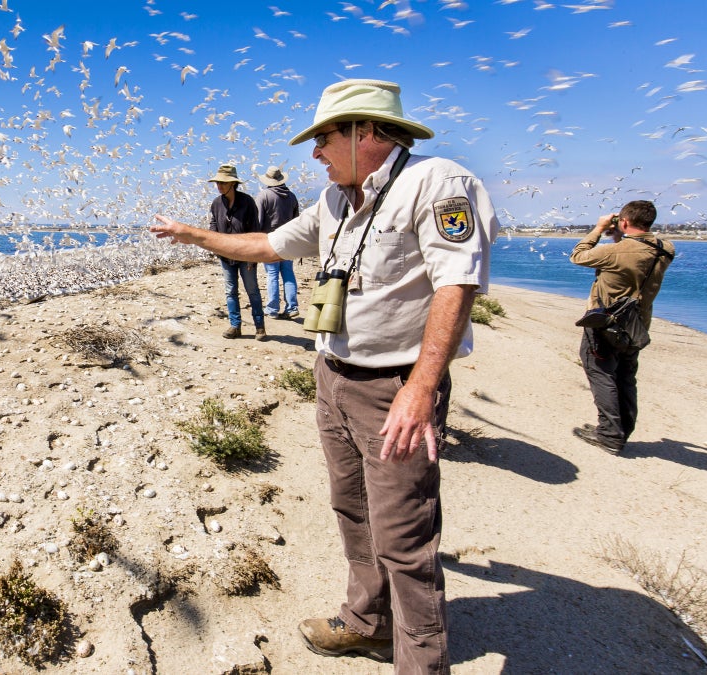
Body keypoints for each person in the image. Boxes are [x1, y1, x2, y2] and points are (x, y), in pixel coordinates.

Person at [152, 79, 499, 673]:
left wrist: (419, 388)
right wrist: (192, 235)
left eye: (323, 138)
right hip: (333, 375)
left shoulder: (437, 183)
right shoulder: (335, 200)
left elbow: (456, 285)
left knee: (405, 539)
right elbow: (268, 245)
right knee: (352, 510)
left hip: (395, 388)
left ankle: (422, 663)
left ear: (365, 131)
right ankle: (368, 622)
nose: (314, 153)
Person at [569, 201, 674, 454]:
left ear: (624, 222)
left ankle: (609, 434)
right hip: (638, 325)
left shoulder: (613, 252)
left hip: (607, 322)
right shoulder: (665, 249)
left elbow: (578, 255)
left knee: (600, 371)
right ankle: (622, 430)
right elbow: (634, 252)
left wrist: (599, 228)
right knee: (626, 376)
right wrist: (619, 234)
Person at [206, 163, 266, 340]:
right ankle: (235, 326)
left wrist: (252, 258)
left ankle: (260, 327)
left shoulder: (247, 202)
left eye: (223, 183)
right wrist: (213, 242)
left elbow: (255, 229)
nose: (219, 186)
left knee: (252, 290)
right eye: (217, 183)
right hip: (225, 256)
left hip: (246, 255)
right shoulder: (216, 203)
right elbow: (214, 224)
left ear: (233, 183)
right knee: (230, 291)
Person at [255, 166, 301, 319]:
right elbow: (297, 221)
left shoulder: (264, 196)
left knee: (272, 274)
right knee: (288, 273)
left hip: (271, 241)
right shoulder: (292, 197)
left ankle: (272, 309)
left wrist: (256, 242)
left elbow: (258, 222)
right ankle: (292, 307)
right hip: (289, 240)